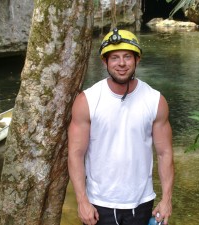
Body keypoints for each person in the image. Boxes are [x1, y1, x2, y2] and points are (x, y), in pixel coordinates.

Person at [68, 27, 174, 225]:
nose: (122, 63)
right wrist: (82, 200)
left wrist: (167, 199)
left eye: (127, 56)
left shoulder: (155, 100)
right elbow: (76, 154)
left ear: (137, 60)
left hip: (141, 202)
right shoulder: (87, 100)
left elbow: (164, 153)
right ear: (105, 61)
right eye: (114, 57)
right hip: (99, 203)